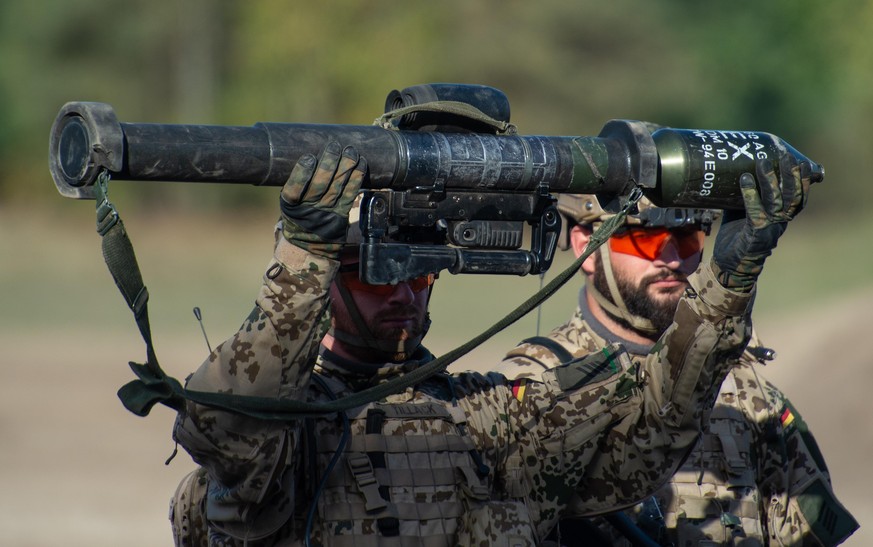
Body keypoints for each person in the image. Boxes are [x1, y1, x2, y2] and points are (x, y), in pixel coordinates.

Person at [168, 139, 804, 546]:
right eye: (373, 273)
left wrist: (725, 284)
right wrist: (305, 257)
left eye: (419, 271)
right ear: (328, 280)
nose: (402, 294)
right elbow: (225, 427)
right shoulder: (294, 435)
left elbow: (649, 437)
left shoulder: (484, 419)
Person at [496, 171, 858, 544]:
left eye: (687, 237)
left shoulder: (743, 389)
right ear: (586, 245)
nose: (670, 259)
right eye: (644, 238)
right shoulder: (536, 388)